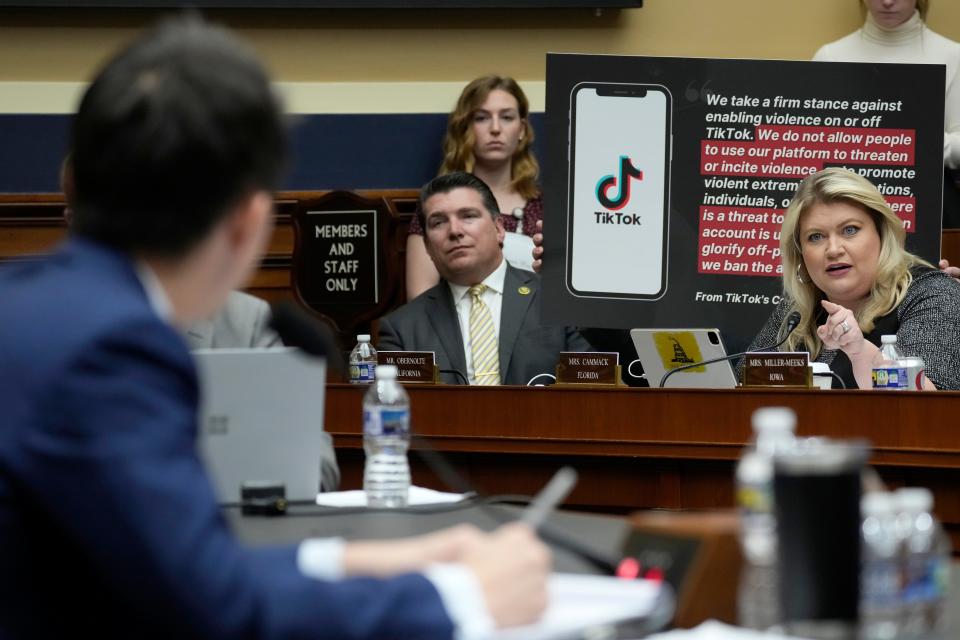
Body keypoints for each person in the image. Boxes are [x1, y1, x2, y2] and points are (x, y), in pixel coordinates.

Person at [0, 17, 549, 639]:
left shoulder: (31, 303)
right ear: (248, 221)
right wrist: (460, 601)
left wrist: (347, 559)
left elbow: (156, 558)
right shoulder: (111, 349)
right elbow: (211, 607)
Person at [744, 167, 960, 390]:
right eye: (816, 237)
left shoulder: (932, 295)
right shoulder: (797, 312)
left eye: (850, 230)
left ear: (882, 234)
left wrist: (860, 352)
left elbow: (930, 406)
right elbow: (741, 388)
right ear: (800, 253)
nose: (833, 249)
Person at [380, 172, 591, 385]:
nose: (454, 231)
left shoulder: (556, 302)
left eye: (468, 216)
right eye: (438, 222)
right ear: (426, 246)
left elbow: (593, 387)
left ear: (499, 229)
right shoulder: (401, 328)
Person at [814, 0, 960, 226]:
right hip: (846, 204)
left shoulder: (953, 56)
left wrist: (901, 145)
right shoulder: (831, 56)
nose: (888, 2)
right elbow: (814, 141)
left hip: (930, 208)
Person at [406, 76, 542, 299]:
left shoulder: (548, 207)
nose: (496, 128)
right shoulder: (436, 207)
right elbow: (420, 302)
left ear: (522, 129)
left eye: (507, 117)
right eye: (482, 118)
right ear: (465, 128)